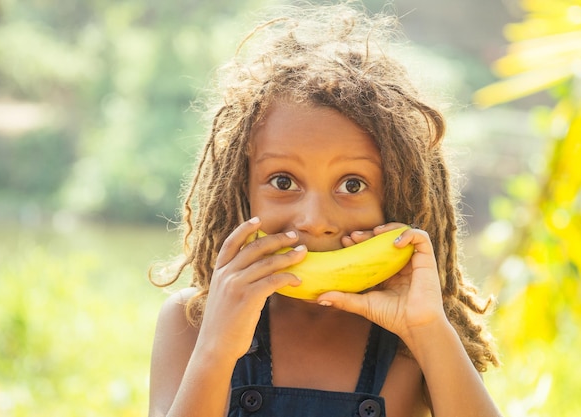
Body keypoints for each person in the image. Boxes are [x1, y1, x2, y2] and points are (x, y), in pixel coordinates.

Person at [148, 3, 502, 417]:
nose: (314, 220)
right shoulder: (191, 322)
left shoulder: (415, 343)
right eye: (283, 182)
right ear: (241, 190)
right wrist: (216, 349)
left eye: (352, 185)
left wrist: (427, 331)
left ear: (398, 198)